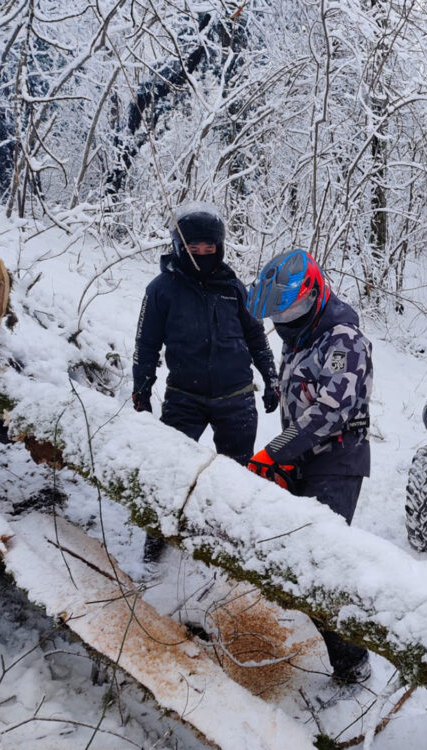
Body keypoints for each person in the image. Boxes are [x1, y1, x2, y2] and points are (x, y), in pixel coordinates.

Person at [245, 249, 374, 695]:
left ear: (316, 293)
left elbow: (330, 411)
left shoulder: (343, 339)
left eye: (295, 308)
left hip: (338, 459)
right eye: (281, 312)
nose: (287, 318)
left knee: (320, 567)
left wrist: (275, 453)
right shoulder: (299, 336)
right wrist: (286, 459)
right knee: (296, 557)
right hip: (303, 458)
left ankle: (354, 665)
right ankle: (340, 649)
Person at [132, 202, 279, 563]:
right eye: (193, 247)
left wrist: (270, 377)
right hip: (185, 396)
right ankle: (158, 532)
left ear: (219, 247)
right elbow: (146, 344)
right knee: (171, 470)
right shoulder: (160, 290)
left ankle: (229, 538)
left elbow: (256, 337)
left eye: (208, 247)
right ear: (179, 246)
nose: (201, 253)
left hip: (237, 397)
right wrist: (141, 388)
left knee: (236, 474)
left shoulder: (234, 288)